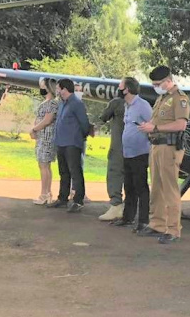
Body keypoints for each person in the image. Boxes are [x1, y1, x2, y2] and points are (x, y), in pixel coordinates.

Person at [138, 66, 190, 244]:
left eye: (158, 84)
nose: (155, 86)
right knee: (157, 188)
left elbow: (181, 124)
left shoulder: (180, 99)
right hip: (156, 146)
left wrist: (156, 128)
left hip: (169, 147)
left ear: (168, 81)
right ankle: (157, 224)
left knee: (170, 189)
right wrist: (148, 126)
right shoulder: (162, 98)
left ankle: (174, 229)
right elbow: (156, 120)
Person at [112, 77, 153, 232]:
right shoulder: (127, 105)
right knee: (128, 186)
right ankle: (128, 217)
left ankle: (143, 221)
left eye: (120, 86)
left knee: (140, 187)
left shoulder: (142, 105)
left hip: (140, 153)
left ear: (127, 89)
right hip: (128, 153)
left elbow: (152, 124)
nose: (118, 88)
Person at [47, 78, 90, 213]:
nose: (57, 90)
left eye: (59, 88)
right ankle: (63, 198)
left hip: (72, 143)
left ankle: (78, 200)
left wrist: (81, 137)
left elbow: (84, 123)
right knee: (63, 172)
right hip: (61, 142)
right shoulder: (62, 103)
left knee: (75, 172)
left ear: (64, 89)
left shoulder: (76, 103)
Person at [98, 83, 126, 222]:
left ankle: (116, 205)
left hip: (118, 146)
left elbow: (103, 117)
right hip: (134, 147)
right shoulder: (140, 104)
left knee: (114, 174)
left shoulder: (116, 103)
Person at [28, 78, 59, 205]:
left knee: (44, 165)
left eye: (42, 86)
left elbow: (47, 120)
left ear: (46, 87)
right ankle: (46, 193)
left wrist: (34, 129)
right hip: (42, 137)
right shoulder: (47, 102)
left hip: (47, 137)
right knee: (44, 165)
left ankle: (44, 194)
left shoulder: (51, 103)